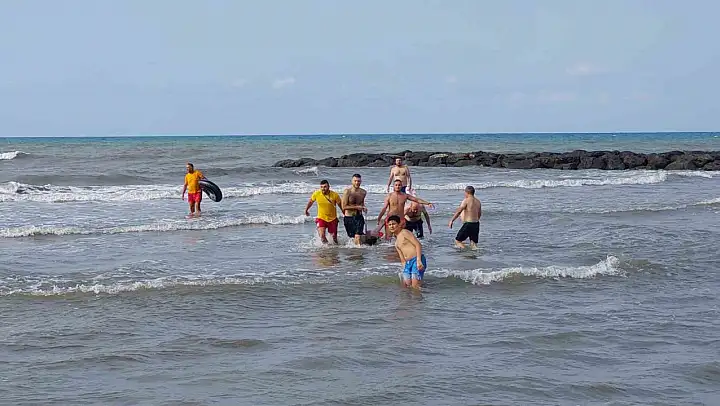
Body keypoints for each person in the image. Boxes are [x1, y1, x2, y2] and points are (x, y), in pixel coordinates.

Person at [387, 215, 427, 289]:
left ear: (399, 224)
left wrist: (418, 260)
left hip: (416, 259)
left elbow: (418, 244)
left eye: (394, 224)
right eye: (390, 225)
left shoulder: (404, 232)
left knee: (415, 286)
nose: (392, 226)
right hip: (408, 263)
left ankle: (420, 295)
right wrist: (404, 268)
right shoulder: (396, 243)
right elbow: (402, 259)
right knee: (406, 285)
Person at [304, 179, 343, 244]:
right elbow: (310, 201)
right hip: (321, 218)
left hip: (332, 219)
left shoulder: (335, 195)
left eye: (325, 187)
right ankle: (327, 248)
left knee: (334, 238)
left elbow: (340, 205)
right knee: (322, 236)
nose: (323, 189)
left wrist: (345, 213)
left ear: (329, 187)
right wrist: (306, 210)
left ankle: (335, 248)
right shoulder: (316, 194)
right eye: (321, 187)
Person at [341, 173, 368, 245]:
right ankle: (355, 251)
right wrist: (357, 207)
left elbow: (362, 203)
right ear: (352, 181)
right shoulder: (347, 192)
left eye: (358, 181)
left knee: (358, 236)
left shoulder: (363, 192)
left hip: (359, 217)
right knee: (352, 238)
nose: (357, 183)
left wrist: (364, 207)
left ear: (361, 181)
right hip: (349, 217)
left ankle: (359, 250)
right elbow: (344, 207)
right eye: (355, 181)